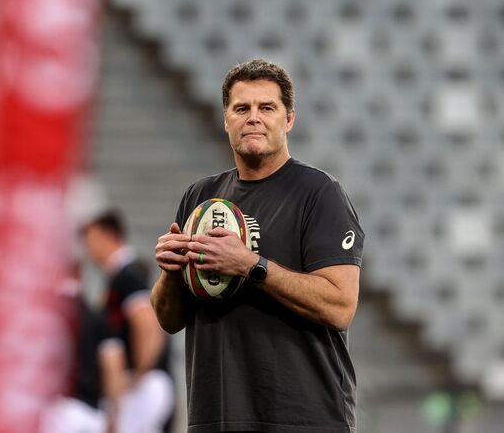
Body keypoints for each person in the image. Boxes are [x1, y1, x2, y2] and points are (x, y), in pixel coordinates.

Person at [151, 58, 365, 433]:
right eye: (241, 108)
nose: (253, 118)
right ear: (226, 120)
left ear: (289, 119)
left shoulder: (319, 193)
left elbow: (340, 306)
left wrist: (251, 265)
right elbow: (169, 321)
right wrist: (170, 272)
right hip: (215, 417)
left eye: (267, 108)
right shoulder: (200, 198)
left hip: (303, 420)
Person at [82, 210, 174, 433]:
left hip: (145, 384)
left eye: (91, 238)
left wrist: (139, 374)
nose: (87, 247)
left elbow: (149, 326)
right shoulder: (119, 276)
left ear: (108, 235)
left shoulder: (127, 275)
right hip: (144, 384)